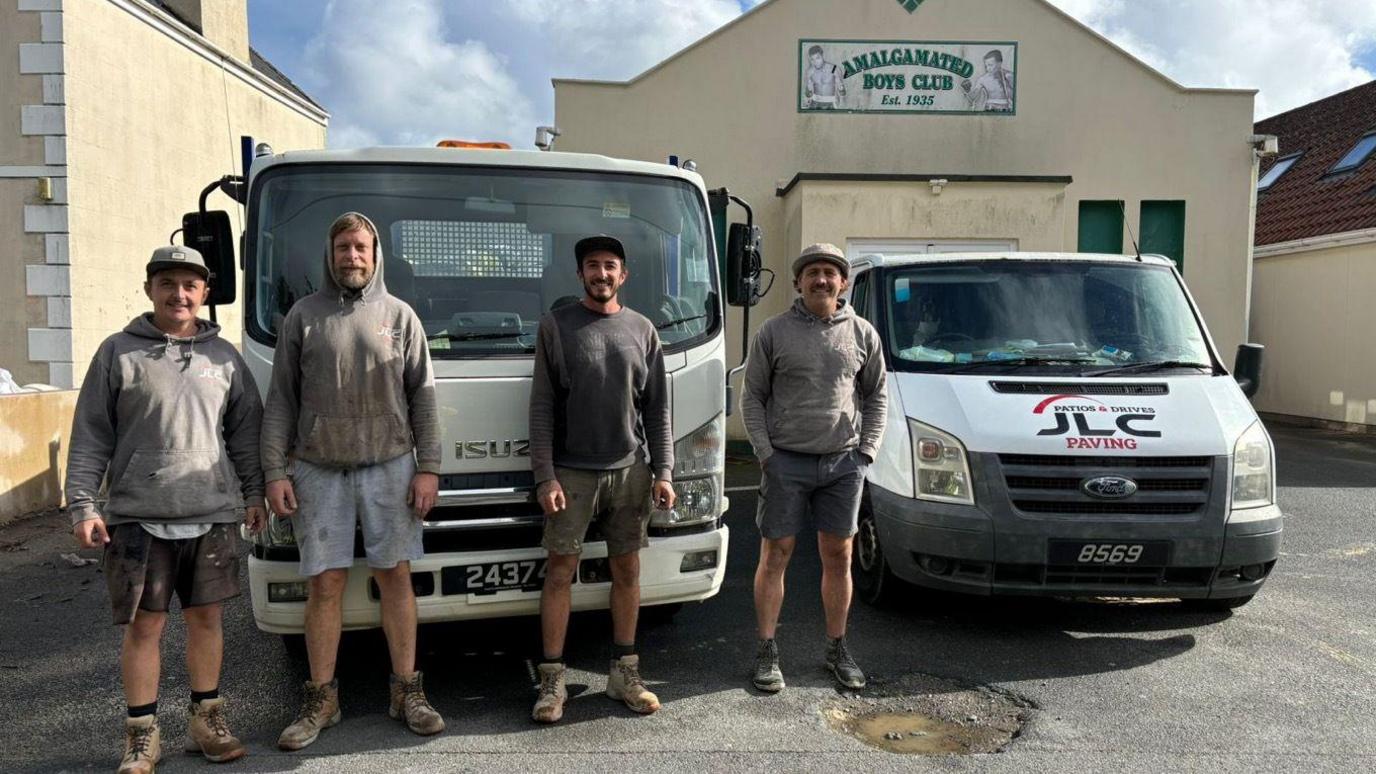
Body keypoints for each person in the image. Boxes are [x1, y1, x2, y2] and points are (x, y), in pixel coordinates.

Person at [65, 245, 265, 774]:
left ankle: (207, 720)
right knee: (145, 628)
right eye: (168, 283)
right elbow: (90, 435)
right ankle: (141, 734)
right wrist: (83, 505)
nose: (179, 294)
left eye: (190, 285)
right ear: (150, 288)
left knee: (206, 620)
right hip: (136, 516)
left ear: (204, 292)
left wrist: (254, 494)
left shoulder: (225, 359)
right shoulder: (118, 353)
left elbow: (246, 434)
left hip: (213, 513)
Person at [261, 212, 445, 750]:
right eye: (343, 247)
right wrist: (275, 471)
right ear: (331, 254)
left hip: (391, 466)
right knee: (326, 584)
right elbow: (281, 404)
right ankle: (322, 698)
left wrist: (428, 466)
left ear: (375, 253)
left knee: (395, 577)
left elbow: (424, 398)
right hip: (317, 469)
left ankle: (407, 691)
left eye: (361, 247)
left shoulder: (401, 317)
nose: (352, 256)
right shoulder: (303, 317)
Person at [528, 234, 676, 723]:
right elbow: (543, 408)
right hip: (571, 474)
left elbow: (657, 410)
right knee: (560, 573)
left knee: (628, 572)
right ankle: (552, 681)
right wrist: (545, 475)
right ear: (580, 275)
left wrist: (664, 470)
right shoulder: (557, 326)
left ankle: (624, 674)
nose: (602, 273)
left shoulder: (643, 330)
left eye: (611, 265)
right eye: (593, 265)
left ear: (623, 274)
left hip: (631, 471)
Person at [740, 243, 888, 693]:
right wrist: (767, 454)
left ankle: (837, 647)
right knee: (775, 555)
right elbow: (752, 397)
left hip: (844, 464)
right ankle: (767, 650)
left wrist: (867, 453)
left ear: (843, 282)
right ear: (798, 282)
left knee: (838, 556)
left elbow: (877, 394)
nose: (821, 280)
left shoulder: (863, 333)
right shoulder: (772, 332)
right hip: (785, 462)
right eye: (812, 273)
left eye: (830, 273)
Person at [804, 44, 846, 109]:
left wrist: (841, 89)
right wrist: (808, 90)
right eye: (812, 59)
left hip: (831, 103)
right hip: (814, 103)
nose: (815, 62)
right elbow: (808, 94)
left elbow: (842, 92)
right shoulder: (810, 71)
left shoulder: (833, 68)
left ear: (822, 56)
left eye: (817, 58)